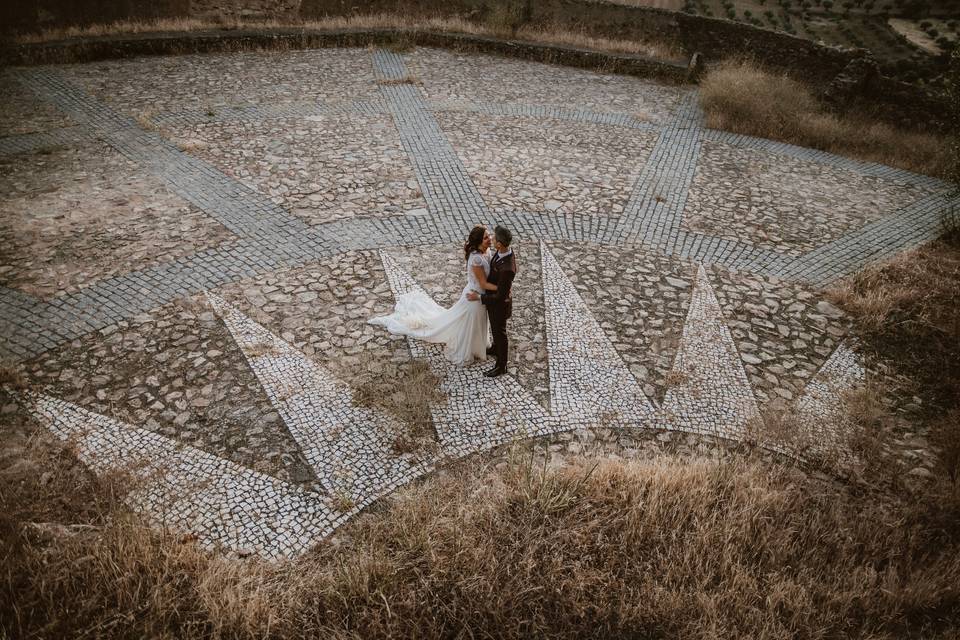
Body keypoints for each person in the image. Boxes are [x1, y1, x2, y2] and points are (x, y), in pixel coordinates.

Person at [368, 225, 499, 365]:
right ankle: (467, 348)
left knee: (476, 322)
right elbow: (483, 283)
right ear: (479, 241)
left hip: (480, 296)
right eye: (486, 237)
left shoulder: (487, 251)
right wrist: (502, 288)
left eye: (489, 235)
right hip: (474, 296)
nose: (490, 239)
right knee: (471, 323)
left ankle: (477, 346)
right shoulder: (476, 259)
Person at [466, 225, 516, 378]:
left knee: (500, 333)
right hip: (494, 302)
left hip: (499, 305)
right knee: (495, 330)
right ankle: (494, 348)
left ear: (500, 244)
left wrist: (480, 297)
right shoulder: (501, 252)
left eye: (494, 237)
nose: (492, 239)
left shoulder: (507, 267)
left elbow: (500, 296)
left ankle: (502, 365)